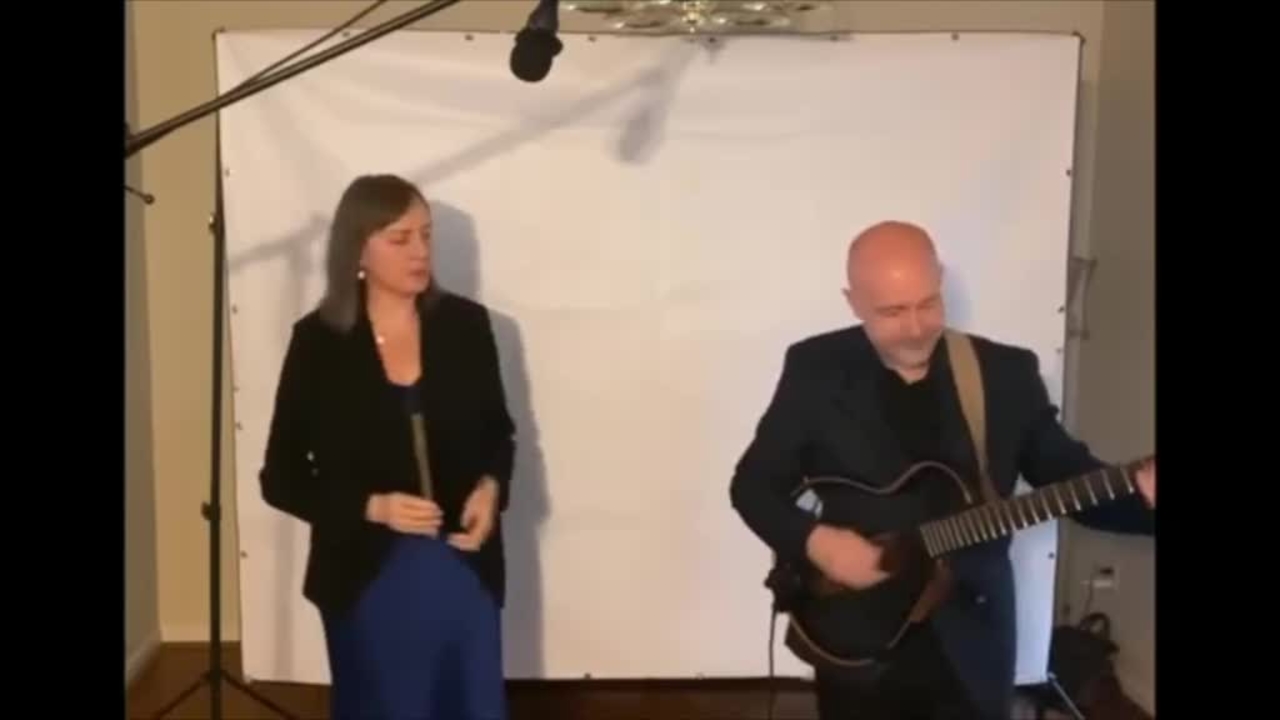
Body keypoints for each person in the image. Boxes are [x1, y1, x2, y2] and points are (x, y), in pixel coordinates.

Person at [729, 220, 1155, 720]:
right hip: (854, 628)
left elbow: (1069, 479)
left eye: (928, 303)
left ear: (941, 282)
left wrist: (1142, 497)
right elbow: (752, 487)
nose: (915, 328)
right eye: (892, 311)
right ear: (853, 302)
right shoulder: (814, 369)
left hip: (970, 636)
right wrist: (818, 543)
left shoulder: (1004, 373)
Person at [258, 174, 517, 720]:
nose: (420, 251)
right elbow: (280, 477)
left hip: (462, 568)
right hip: (365, 572)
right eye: (400, 239)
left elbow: (501, 435)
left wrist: (491, 489)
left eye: (426, 235)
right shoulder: (318, 343)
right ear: (358, 249)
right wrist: (371, 507)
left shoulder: (466, 326)